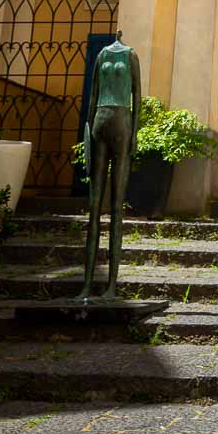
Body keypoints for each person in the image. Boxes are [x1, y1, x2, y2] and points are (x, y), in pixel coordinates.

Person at [77, 30, 141, 301]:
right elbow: (92, 96)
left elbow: (137, 95)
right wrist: (86, 134)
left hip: (122, 124)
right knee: (94, 208)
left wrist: (135, 133)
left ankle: (111, 285)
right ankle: (86, 284)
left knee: (116, 207)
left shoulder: (131, 56)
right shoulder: (102, 54)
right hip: (100, 122)